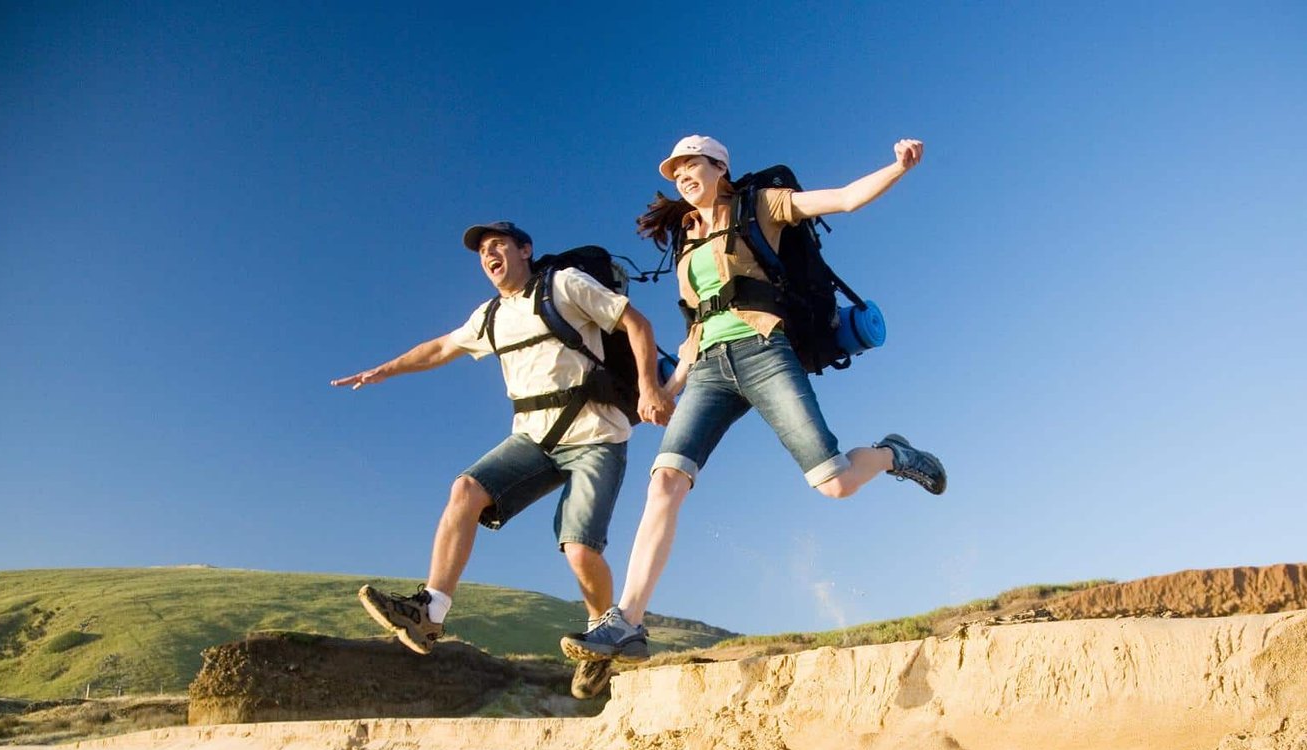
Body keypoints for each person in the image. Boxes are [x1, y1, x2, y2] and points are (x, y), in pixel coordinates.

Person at [560, 136, 945, 664]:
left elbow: (844, 199)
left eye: (691, 165)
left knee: (834, 483)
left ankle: (892, 454)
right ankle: (626, 623)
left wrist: (897, 167)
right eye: (675, 171)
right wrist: (668, 389)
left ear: (720, 167)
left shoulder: (761, 205)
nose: (682, 176)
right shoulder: (686, 238)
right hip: (708, 371)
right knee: (666, 482)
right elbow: (696, 327)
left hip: (764, 351)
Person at [332, 220, 673, 698]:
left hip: (596, 436)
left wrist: (649, 388)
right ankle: (430, 612)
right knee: (466, 490)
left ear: (524, 250)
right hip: (532, 441)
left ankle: (604, 634)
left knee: (579, 547)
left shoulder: (563, 285)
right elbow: (440, 348)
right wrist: (383, 371)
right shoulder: (489, 316)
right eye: (482, 252)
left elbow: (636, 323)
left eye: (498, 245)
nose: (489, 255)